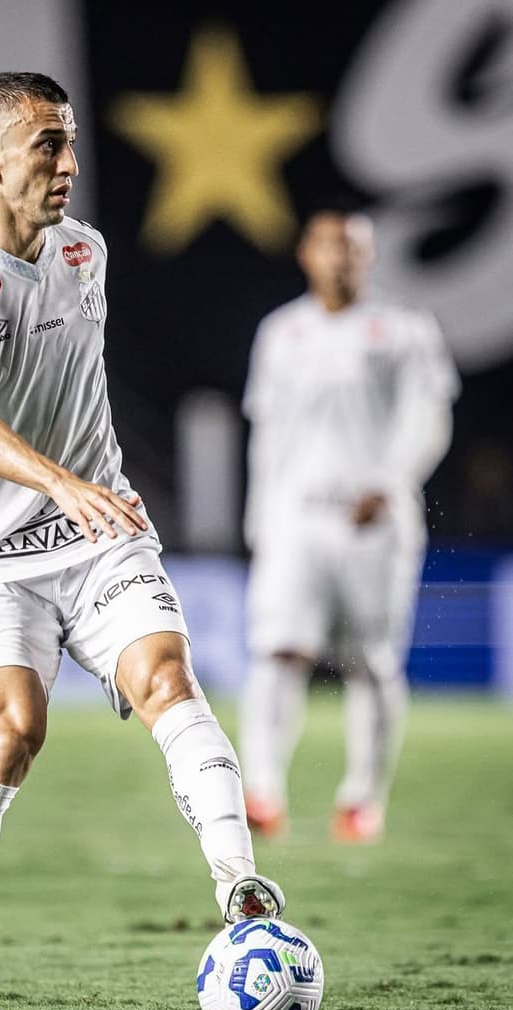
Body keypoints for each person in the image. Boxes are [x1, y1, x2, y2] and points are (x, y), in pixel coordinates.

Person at [0, 71, 284, 1010]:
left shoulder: (85, 252)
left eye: (69, 143)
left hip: (99, 532)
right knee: (10, 729)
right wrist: (59, 478)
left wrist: (86, 487)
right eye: (46, 147)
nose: (68, 164)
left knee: (167, 677)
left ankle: (243, 889)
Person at [239, 208, 459, 843]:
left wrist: (389, 483)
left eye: (353, 248)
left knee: (373, 660)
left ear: (370, 256)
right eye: (329, 246)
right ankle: (263, 790)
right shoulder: (281, 332)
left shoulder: (404, 330)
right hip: (296, 516)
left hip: (375, 521)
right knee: (278, 650)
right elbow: (268, 434)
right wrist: (260, 521)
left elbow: (428, 420)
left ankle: (362, 796)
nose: (341, 258)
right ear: (307, 253)